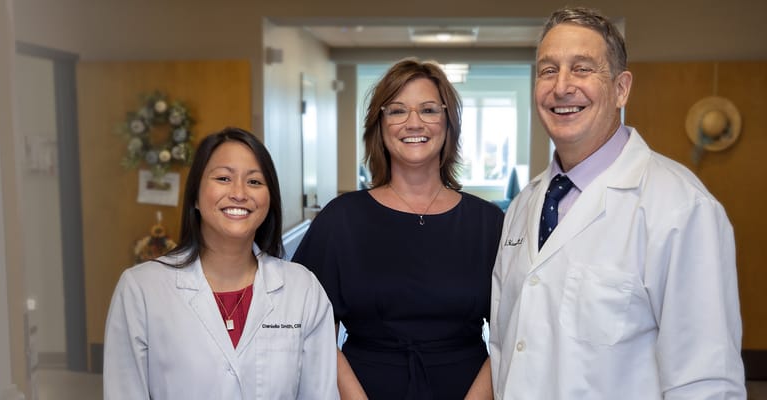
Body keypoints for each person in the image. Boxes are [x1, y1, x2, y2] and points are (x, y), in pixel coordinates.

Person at [489, 7, 746, 399]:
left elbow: (706, 381)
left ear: (622, 88)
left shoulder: (681, 208)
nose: (561, 87)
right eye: (547, 70)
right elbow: (507, 348)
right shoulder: (525, 204)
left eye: (582, 68)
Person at [293, 58, 504, 399]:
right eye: (397, 111)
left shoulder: (489, 223)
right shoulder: (340, 221)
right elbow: (313, 334)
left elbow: (511, 337)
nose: (413, 122)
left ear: (448, 124)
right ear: (380, 125)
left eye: (429, 110)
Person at [103, 127, 339, 399]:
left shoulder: (303, 289)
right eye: (224, 178)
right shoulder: (141, 290)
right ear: (195, 196)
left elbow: (320, 393)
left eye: (254, 182)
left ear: (269, 198)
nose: (239, 193)